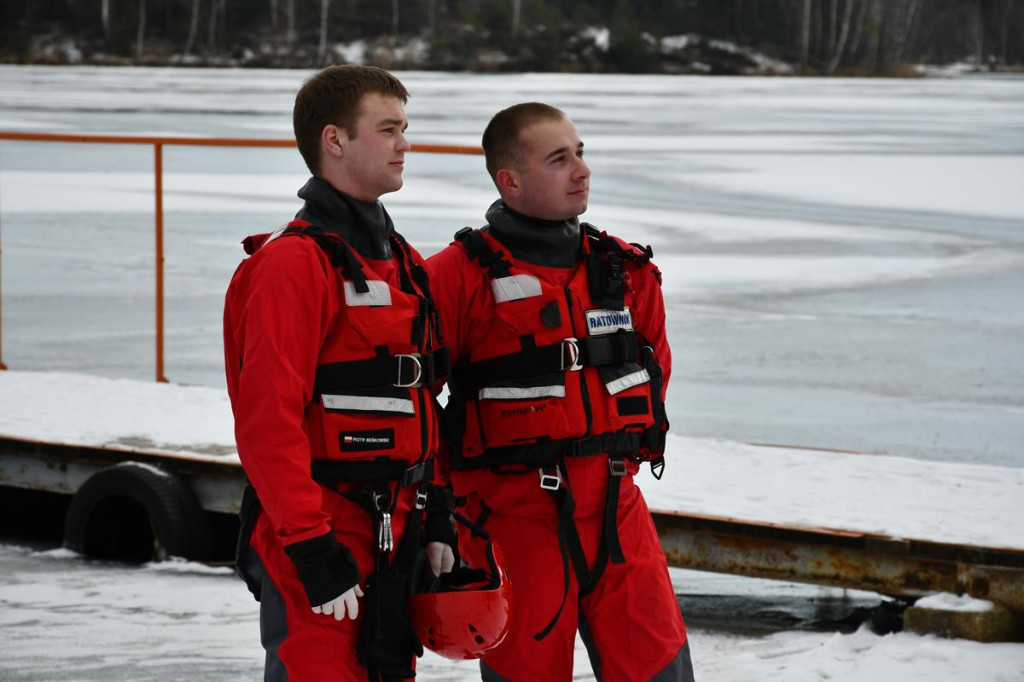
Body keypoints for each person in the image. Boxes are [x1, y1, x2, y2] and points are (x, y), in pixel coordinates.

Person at [427, 102, 694, 681]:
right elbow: (418, 409)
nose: (581, 170)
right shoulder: (455, 278)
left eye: (580, 152)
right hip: (513, 524)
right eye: (559, 159)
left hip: (618, 516)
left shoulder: (625, 271)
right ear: (510, 181)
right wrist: (444, 512)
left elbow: (654, 374)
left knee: (661, 670)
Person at [223, 65, 455, 682]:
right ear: (335, 140)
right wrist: (311, 547)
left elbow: (423, 400)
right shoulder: (293, 265)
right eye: (388, 129)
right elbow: (268, 422)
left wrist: (436, 514)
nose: (405, 144)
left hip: (395, 530)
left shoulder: (401, 261)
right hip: (324, 528)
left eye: (404, 128)